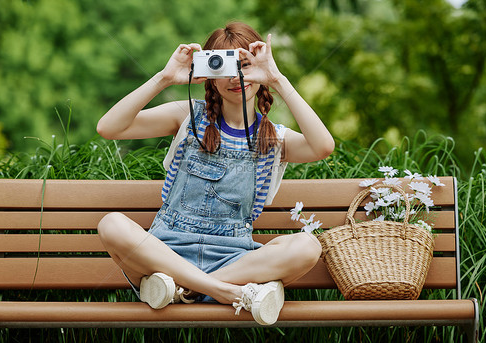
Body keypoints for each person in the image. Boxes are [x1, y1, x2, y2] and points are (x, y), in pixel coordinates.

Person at [96, 22, 334, 325]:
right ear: (209, 75)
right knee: (111, 224)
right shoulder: (187, 117)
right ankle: (224, 291)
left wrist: (277, 79)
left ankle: (186, 291)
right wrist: (164, 79)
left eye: (245, 66)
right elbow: (109, 127)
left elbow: (323, 146)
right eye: (223, 67)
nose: (236, 77)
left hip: (234, 258)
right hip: (166, 252)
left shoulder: (274, 139)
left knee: (308, 246)